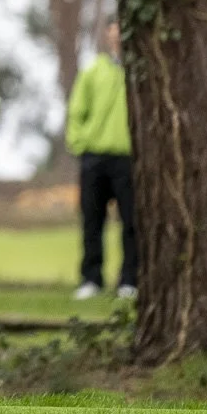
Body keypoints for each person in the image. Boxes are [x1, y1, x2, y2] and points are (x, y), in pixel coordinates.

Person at [69, 19, 138, 301]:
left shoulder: (140, 71)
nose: (118, 38)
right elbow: (77, 110)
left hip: (127, 158)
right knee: (92, 221)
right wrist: (81, 144)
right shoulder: (94, 70)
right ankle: (91, 278)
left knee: (131, 222)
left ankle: (130, 279)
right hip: (95, 157)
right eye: (114, 32)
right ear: (109, 36)